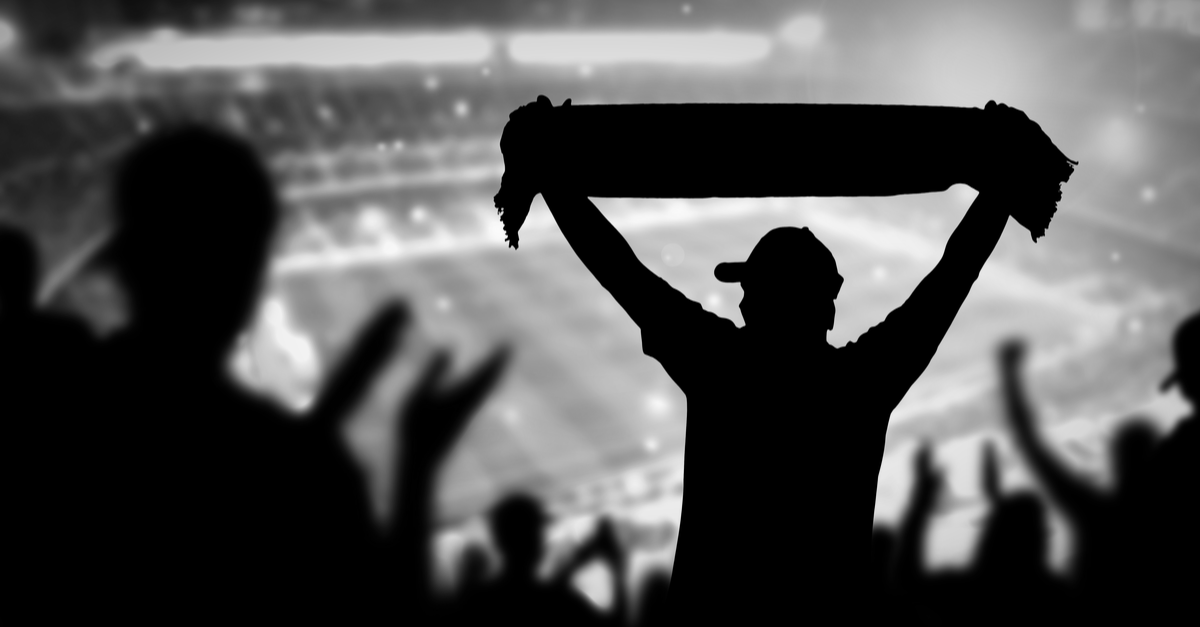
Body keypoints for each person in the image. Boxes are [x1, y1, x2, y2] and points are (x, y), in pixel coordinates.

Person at [532, 97, 1048, 623]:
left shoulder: (718, 363)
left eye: (747, 288)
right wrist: (999, 189)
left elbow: (619, 267)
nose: (739, 299)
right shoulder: (863, 380)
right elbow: (951, 276)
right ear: (826, 306)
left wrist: (552, 178)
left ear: (756, 300)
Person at [73, 124, 405, 622]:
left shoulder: (51, 402)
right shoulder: (307, 478)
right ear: (254, 270)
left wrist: (323, 424)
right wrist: (417, 468)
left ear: (127, 260)